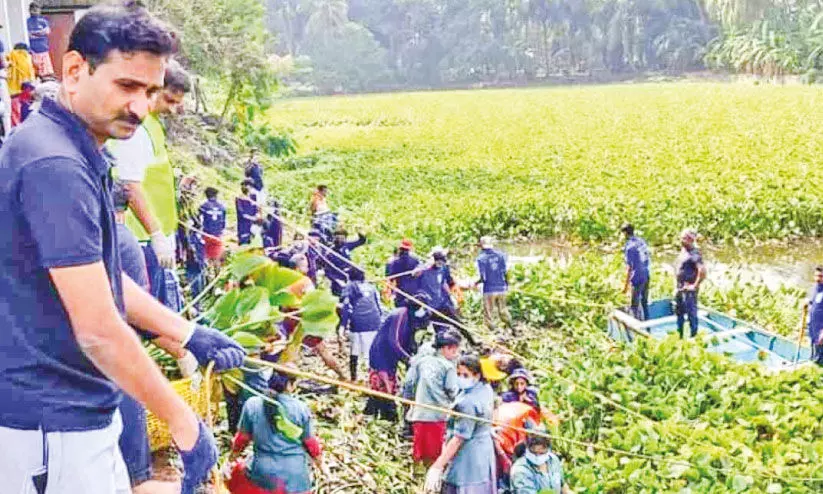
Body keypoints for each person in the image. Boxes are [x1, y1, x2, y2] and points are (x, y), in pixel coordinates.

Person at [0, 4, 245, 492]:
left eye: (151, 92)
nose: (140, 106)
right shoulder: (55, 166)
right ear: (74, 70)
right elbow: (96, 329)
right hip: (51, 421)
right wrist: (183, 422)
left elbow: (99, 278)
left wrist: (185, 330)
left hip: (78, 409)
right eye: (127, 86)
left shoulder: (76, 146)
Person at [107, 58, 191, 307]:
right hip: (141, 238)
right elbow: (130, 185)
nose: (174, 109)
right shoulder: (136, 129)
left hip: (156, 234)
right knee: (152, 310)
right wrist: (155, 234)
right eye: (169, 100)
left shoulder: (152, 125)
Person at [225, 371, 327, 494]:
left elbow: (242, 440)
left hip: (262, 472)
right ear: (290, 385)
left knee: (238, 477)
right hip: (295, 476)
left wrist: (230, 460)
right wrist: (322, 466)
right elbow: (310, 443)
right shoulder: (300, 408)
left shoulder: (252, 404)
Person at [425, 355, 496, 494]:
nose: (461, 378)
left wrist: (438, 466)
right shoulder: (485, 388)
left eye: (466, 375)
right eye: (458, 374)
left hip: (468, 456)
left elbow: (459, 439)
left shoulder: (467, 403)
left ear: (477, 375)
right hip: (483, 450)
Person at [366, 294, 432, 421]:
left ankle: (371, 412)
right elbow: (393, 340)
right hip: (381, 352)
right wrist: (407, 359)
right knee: (384, 384)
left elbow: (410, 341)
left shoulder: (412, 318)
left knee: (386, 384)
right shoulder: (400, 314)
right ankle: (386, 416)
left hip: (391, 355)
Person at [405, 330, 462, 466]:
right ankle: (430, 477)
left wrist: (410, 402)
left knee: (419, 446)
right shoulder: (448, 367)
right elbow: (452, 390)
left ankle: (417, 473)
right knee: (434, 451)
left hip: (419, 412)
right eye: (453, 349)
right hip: (437, 414)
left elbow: (410, 383)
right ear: (444, 348)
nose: (455, 352)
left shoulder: (422, 362)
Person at [417, 247, 475, 345]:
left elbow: (446, 283)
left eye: (442, 263)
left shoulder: (443, 269)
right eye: (439, 262)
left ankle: (473, 342)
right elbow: (415, 273)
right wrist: (425, 265)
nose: (441, 265)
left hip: (442, 303)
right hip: (430, 306)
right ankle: (439, 347)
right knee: (438, 330)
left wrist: (453, 294)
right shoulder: (425, 269)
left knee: (458, 322)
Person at [341, 268, 383, 381]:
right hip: (374, 322)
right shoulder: (372, 287)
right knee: (370, 354)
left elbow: (346, 308)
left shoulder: (349, 287)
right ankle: (373, 379)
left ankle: (354, 378)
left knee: (354, 351)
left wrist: (342, 327)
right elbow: (379, 307)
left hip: (358, 323)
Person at [476, 236, 513, 333]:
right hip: (502, 288)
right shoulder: (501, 255)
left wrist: (475, 283)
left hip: (489, 290)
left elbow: (483, 277)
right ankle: (512, 328)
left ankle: (493, 333)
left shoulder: (481, 258)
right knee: (503, 311)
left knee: (489, 314)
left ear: (481, 246)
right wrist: (507, 284)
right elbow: (506, 272)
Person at [674, 229, 705, 338]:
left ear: (691, 240)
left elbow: (702, 272)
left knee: (691, 313)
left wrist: (694, 285)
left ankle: (694, 336)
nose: (682, 240)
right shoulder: (683, 250)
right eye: (681, 238)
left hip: (688, 290)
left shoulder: (694, 254)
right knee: (679, 312)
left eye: (684, 238)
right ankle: (680, 335)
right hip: (680, 287)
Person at [324, 228, 367, 296]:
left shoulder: (346, 246)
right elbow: (328, 272)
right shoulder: (330, 252)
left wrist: (360, 232)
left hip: (350, 278)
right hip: (338, 281)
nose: (340, 240)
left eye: (342, 238)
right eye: (338, 238)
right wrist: (337, 280)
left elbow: (361, 241)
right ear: (334, 239)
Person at [621, 223, 651, 321]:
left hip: (637, 277)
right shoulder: (641, 241)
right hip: (646, 274)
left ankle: (638, 327)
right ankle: (647, 322)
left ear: (625, 233)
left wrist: (625, 287)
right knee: (644, 302)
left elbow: (630, 268)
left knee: (634, 304)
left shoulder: (629, 247)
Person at [385, 238, 421, 307]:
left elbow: (390, 278)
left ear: (400, 249)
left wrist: (390, 291)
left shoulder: (395, 262)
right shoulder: (415, 260)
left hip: (401, 292)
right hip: (413, 292)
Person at [199, 186, 227, 267]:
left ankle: (208, 274)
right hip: (218, 235)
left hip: (206, 235)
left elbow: (199, 221)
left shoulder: (203, 206)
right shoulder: (222, 207)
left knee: (207, 257)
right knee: (216, 257)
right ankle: (217, 274)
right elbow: (224, 222)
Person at [27, 2, 54, 78]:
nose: (35, 11)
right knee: (35, 73)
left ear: (39, 10)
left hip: (43, 50)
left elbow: (47, 31)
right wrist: (39, 33)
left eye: (37, 9)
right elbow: (28, 35)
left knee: (47, 73)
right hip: (32, 51)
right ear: (29, 10)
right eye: (33, 9)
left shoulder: (43, 21)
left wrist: (35, 33)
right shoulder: (27, 21)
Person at [807, 266, 823, 364]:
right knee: (813, 346)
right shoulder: (815, 288)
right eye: (816, 276)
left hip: (821, 329)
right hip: (813, 325)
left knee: (820, 352)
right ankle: (812, 361)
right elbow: (812, 303)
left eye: (821, 276)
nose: (818, 278)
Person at [236, 179, 260, 246]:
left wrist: (257, 215)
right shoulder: (239, 198)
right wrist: (252, 218)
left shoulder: (253, 197)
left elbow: (256, 208)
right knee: (244, 242)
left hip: (253, 224)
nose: (244, 187)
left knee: (254, 242)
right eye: (243, 185)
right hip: (243, 224)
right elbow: (241, 213)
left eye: (246, 185)